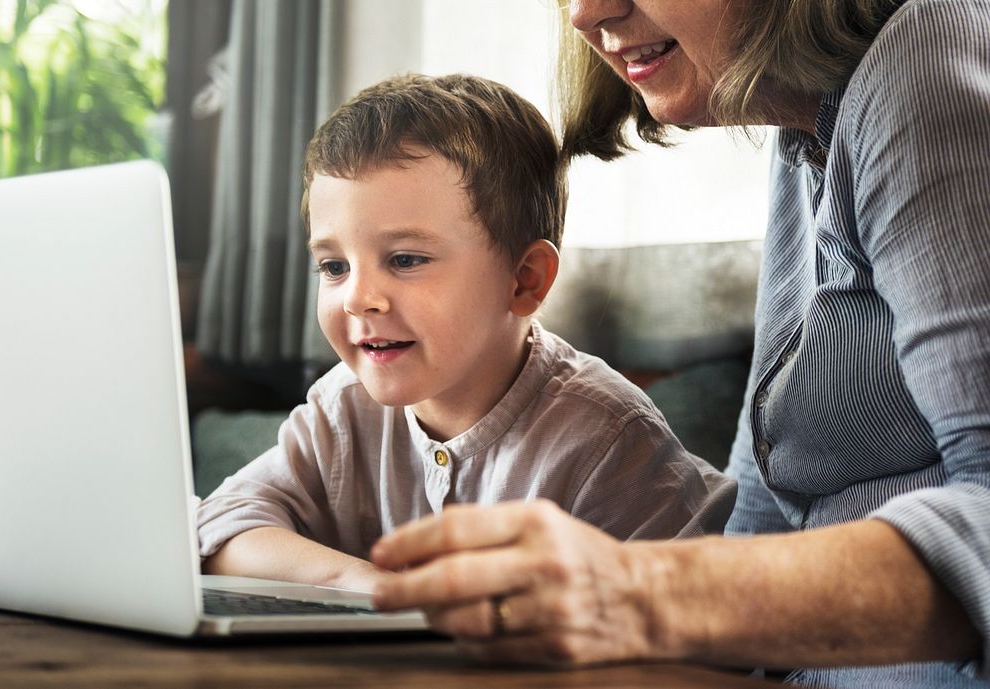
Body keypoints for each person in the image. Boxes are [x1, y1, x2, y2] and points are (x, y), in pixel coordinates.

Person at [369, 1, 990, 686]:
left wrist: (636, 591)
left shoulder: (928, 55)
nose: (586, 12)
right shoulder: (804, 134)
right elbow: (766, 513)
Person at [196, 74, 736, 593]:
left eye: (405, 259)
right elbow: (222, 523)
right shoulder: (341, 408)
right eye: (334, 267)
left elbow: (695, 620)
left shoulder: (609, 439)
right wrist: (364, 586)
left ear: (523, 281)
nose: (359, 297)